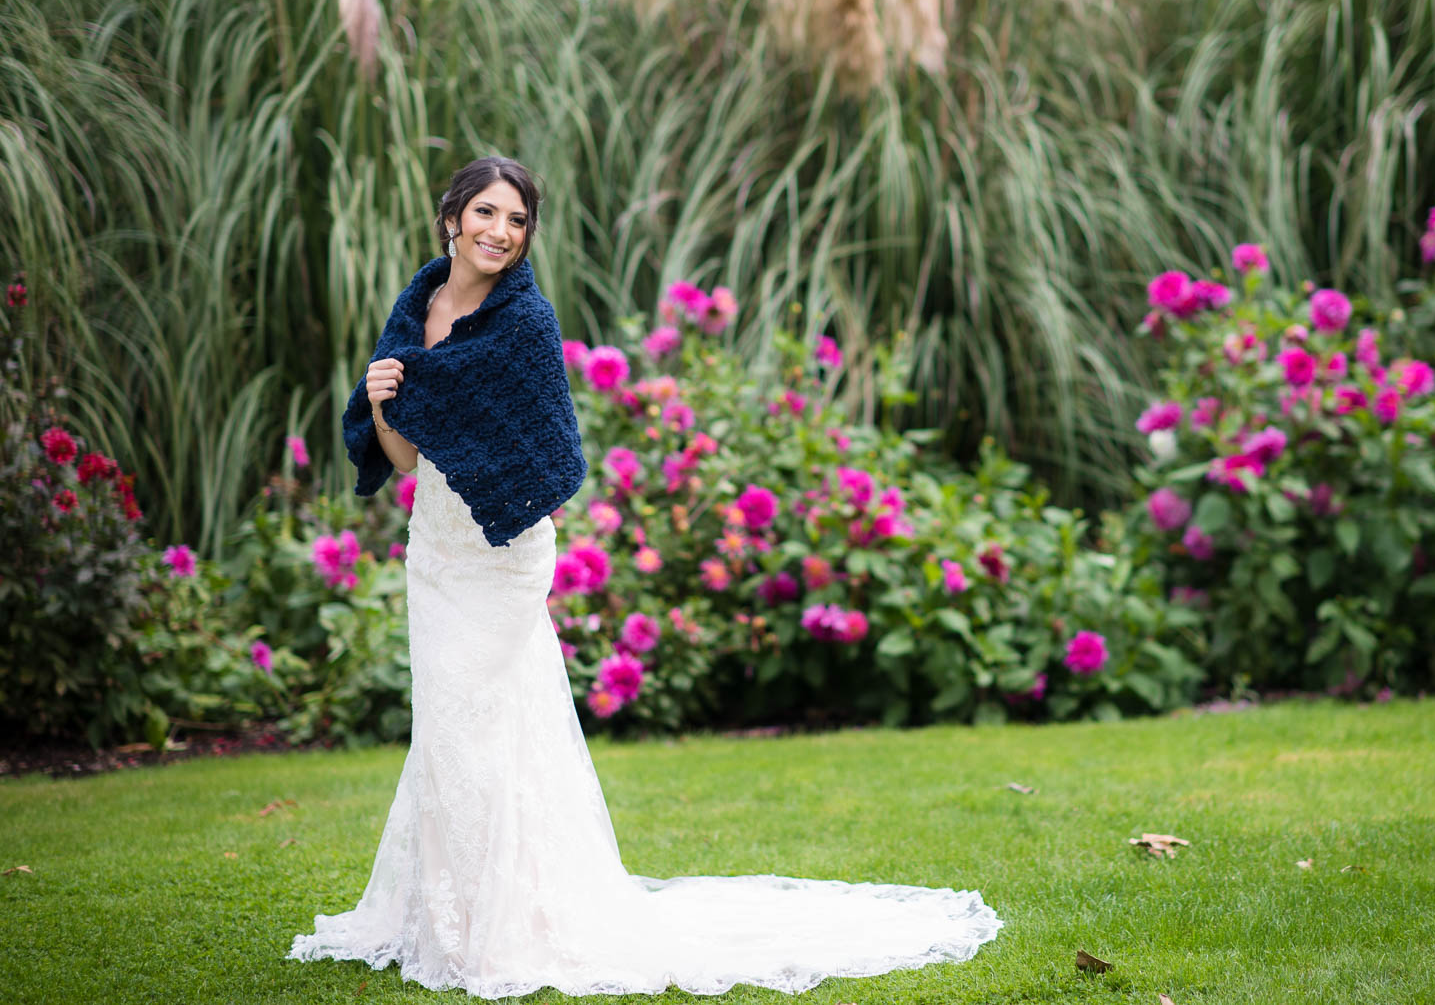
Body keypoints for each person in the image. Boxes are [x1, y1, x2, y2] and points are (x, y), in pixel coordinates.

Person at [287, 156, 1003, 997]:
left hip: (507, 555)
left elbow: (538, 450)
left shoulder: (524, 323)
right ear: (451, 217)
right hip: (435, 550)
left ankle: (498, 930)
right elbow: (409, 457)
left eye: (516, 221)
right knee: (460, 729)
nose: (500, 233)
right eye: (485, 212)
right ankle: (455, 920)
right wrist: (379, 402)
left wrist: (438, 428)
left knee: (470, 721)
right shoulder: (417, 308)